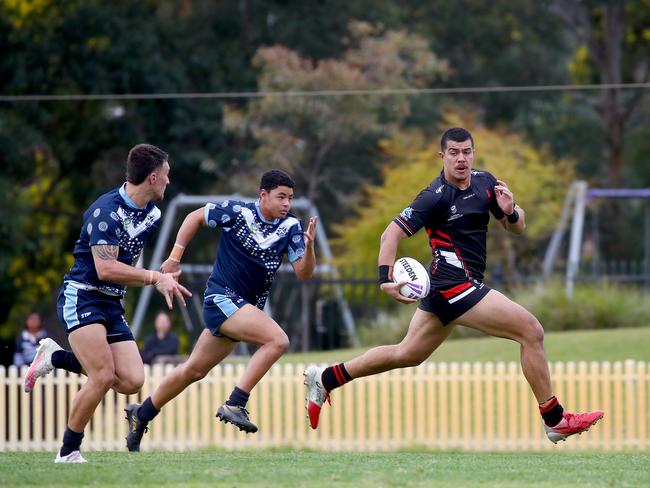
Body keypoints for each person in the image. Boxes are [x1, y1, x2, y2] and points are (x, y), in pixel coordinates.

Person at [304, 127, 604, 444]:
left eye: (466, 152)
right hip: (452, 284)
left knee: (406, 353)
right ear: (442, 156)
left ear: (473, 153)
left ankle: (326, 378)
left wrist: (511, 211)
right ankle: (554, 419)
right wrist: (384, 280)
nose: (461, 159)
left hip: (451, 287)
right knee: (531, 330)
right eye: (454, 153)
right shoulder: (434, 196)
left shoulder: (486, 182)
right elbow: (390, 234)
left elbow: (517, 228)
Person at [124, 169, 317, 451]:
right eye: (281, 197)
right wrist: (174, 258)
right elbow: (194, 217)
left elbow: (303, 273)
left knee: (192, 371)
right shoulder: (238, 211)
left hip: (241, 309)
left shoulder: (291, 227)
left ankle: (141, 414)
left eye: (290, 198)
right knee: (278, 341)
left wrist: (310, 248)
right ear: (263, 195)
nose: (287, 203)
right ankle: (236, 402)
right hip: (220, 299)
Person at [23, 143, 191, 463]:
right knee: (101, 377)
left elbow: (128, 261)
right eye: (167, 175)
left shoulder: (152, 215)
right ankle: (68, 451)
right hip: (83, 295)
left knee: (131, 381)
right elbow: (106, 268)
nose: (170, 181)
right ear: (153, 178)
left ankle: (55, 357)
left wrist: (162, 269)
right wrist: (154, 278)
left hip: (112, 304)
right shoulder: (106, 211)